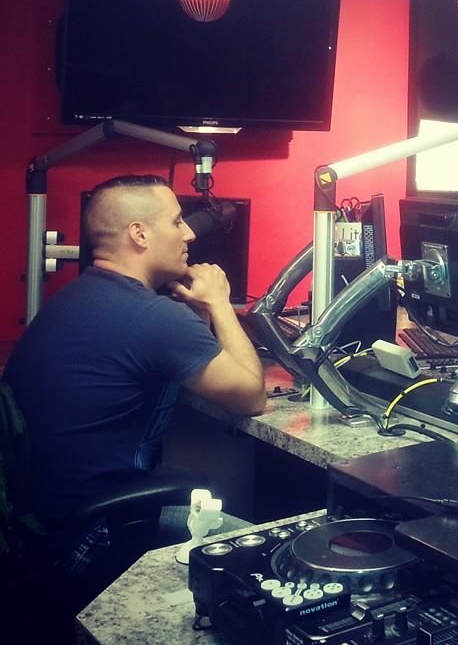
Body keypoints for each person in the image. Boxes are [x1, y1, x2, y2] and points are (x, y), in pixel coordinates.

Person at [4, 174, 266, 535]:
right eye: (177, 221)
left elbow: (170, 356)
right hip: (92, 535)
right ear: (139, 234)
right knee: (264, 548)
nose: (189, 234)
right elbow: (251, 397)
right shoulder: (152, 316)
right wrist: (219, 302)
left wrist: (198, 316)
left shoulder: (74, 298)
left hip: (36, 523)